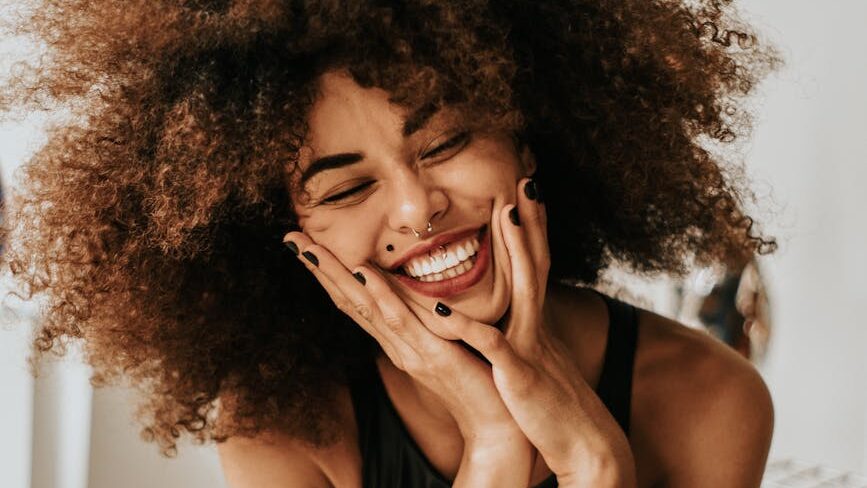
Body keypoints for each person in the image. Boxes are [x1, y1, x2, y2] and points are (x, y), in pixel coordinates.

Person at [0, 1, 779, 486]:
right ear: (292, 239)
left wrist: (597, 465)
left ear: (526, 144)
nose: (417, 208)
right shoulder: (286, 427)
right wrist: (498, 443)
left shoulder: (706, 398)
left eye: (444, 143)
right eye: (344, 189)